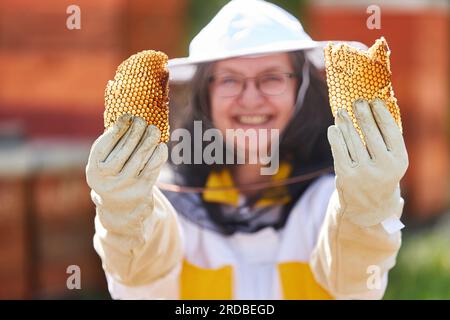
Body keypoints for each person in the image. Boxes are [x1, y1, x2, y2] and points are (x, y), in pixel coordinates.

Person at [86, 0, 408, 299]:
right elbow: (138, 280)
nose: (251, 98)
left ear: (300, 89)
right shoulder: (163, 202)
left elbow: (355, 279)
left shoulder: (332, 197)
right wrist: (124, 216)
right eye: (229, 80)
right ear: (204, 94)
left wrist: (367, 210)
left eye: (271, 78)